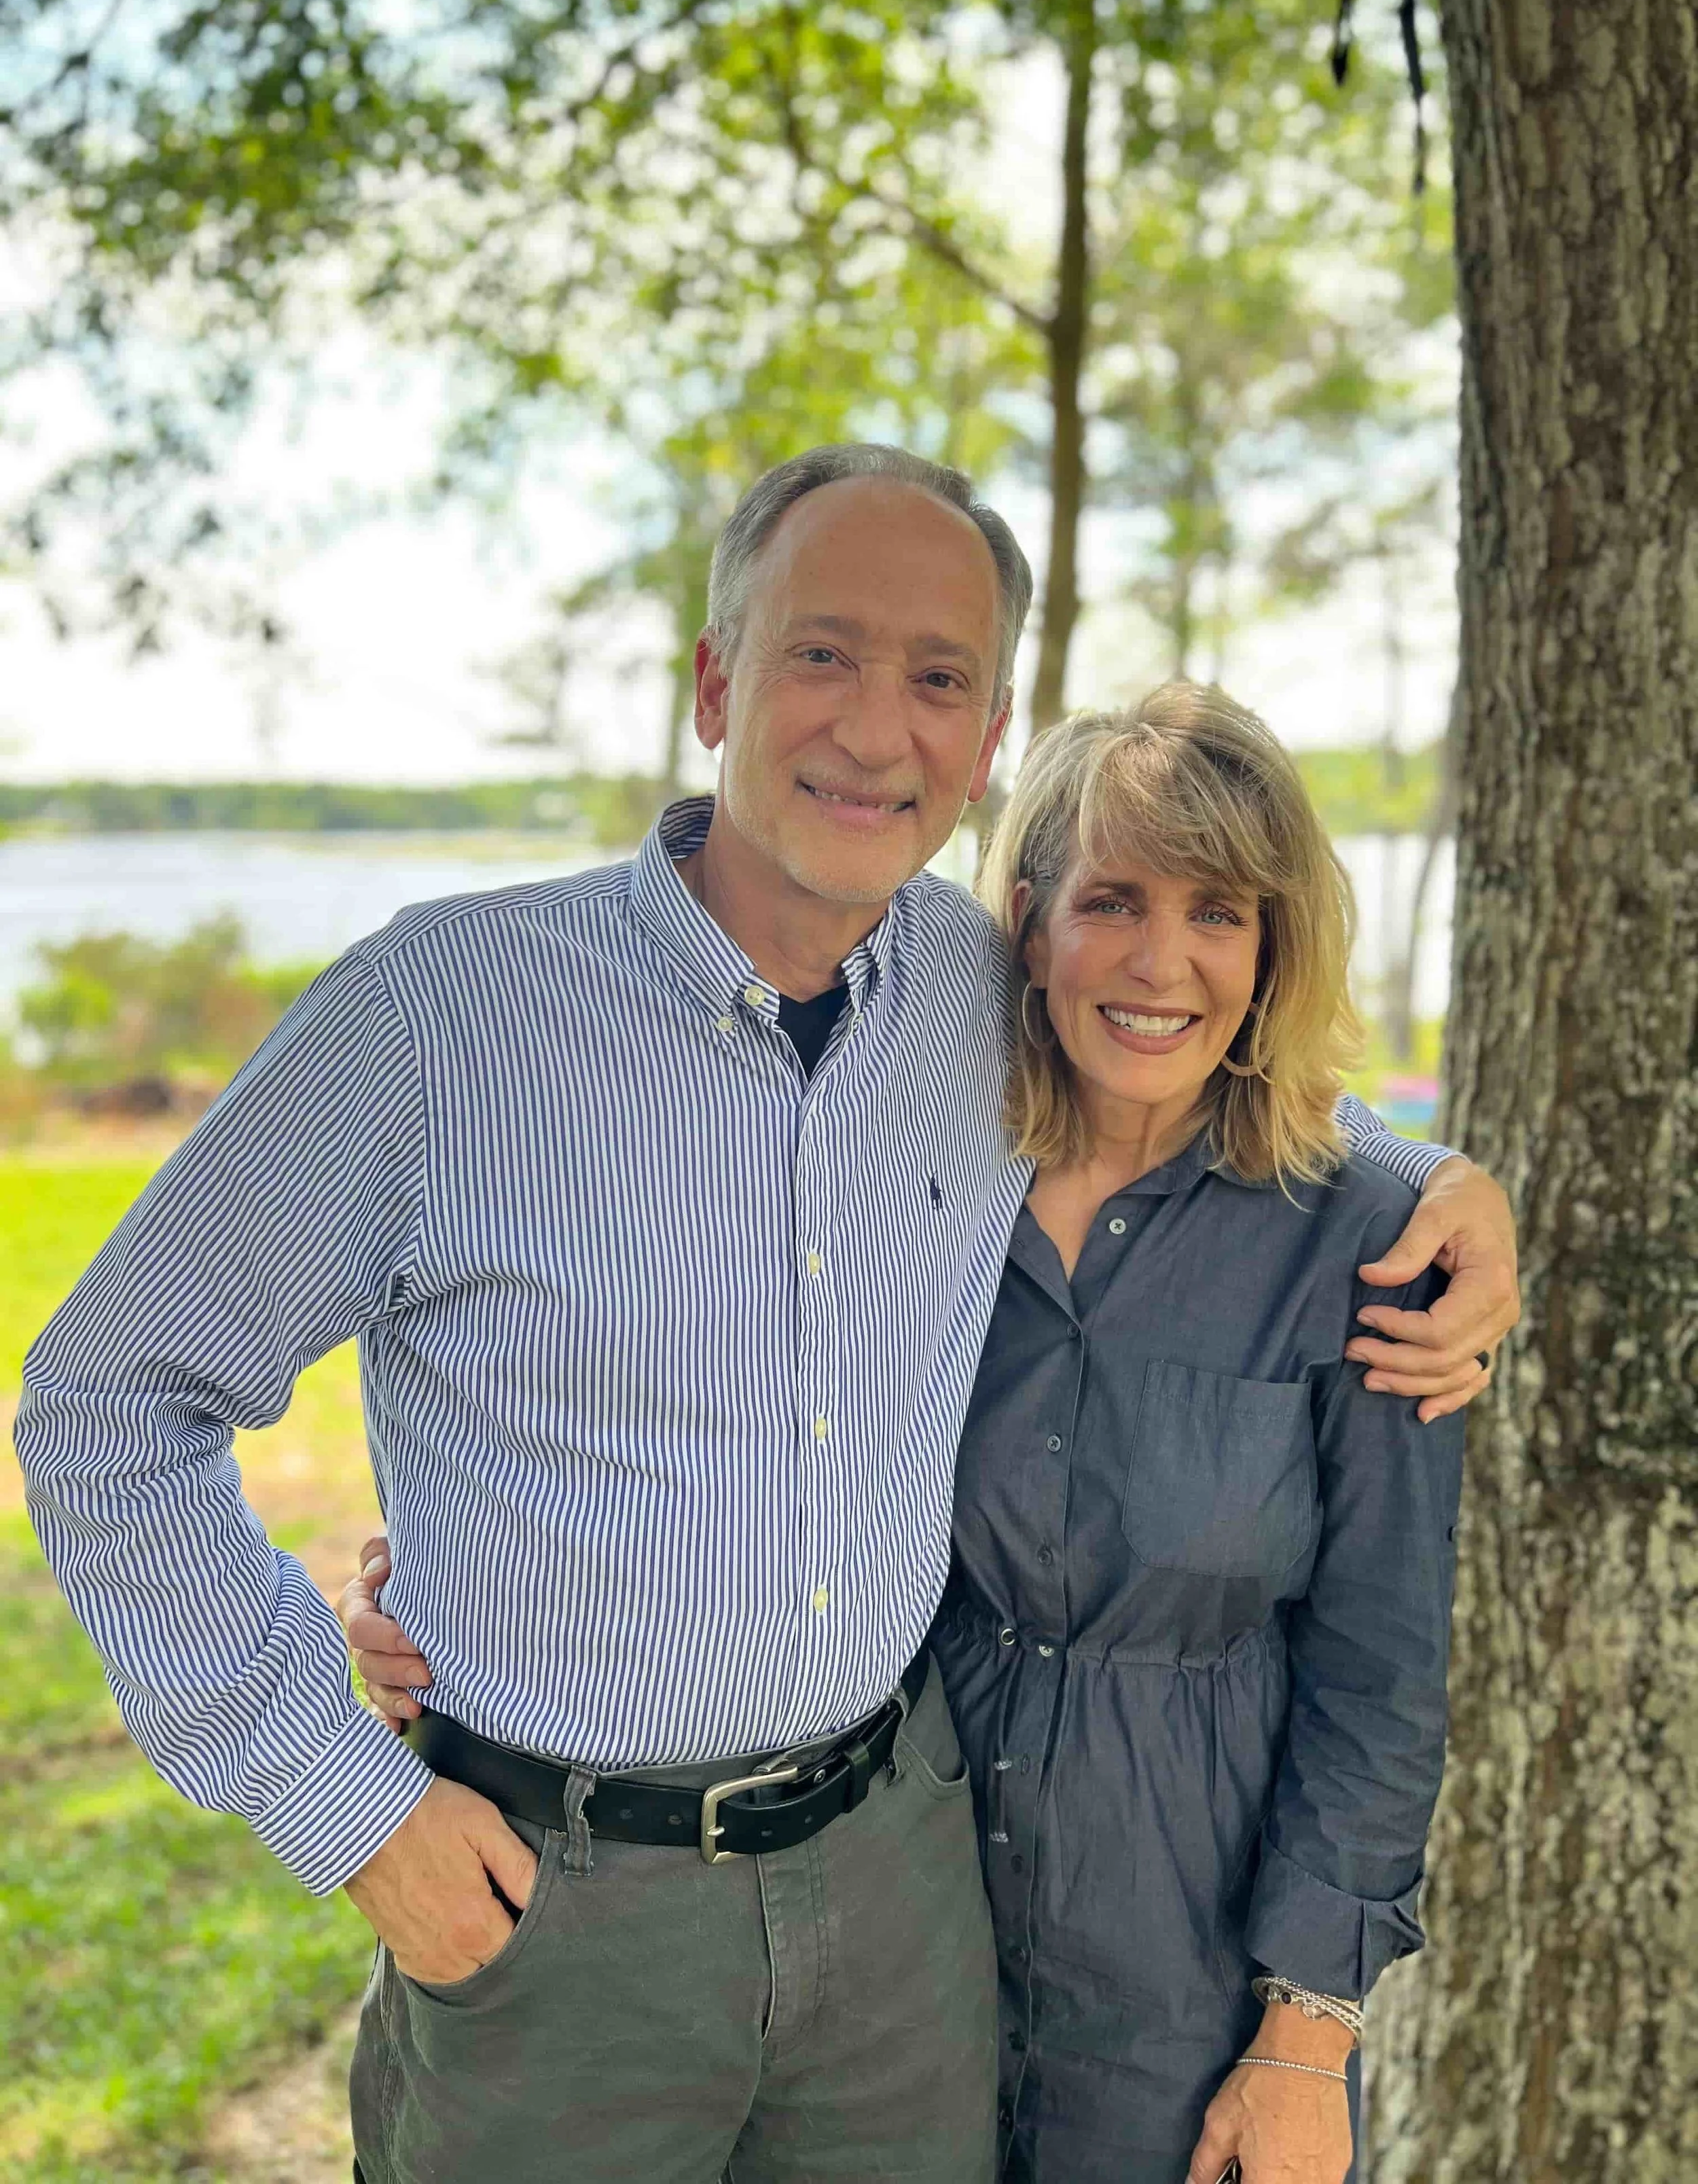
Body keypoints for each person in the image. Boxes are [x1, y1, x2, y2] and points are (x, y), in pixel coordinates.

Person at [16, 446, 1516, 2184]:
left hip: (896, 1900)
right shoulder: (444, 1015)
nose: (876, 729)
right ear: (718, 681)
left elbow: (1190, 1052)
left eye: (937, 678)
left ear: (983, 740)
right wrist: (341, 1804)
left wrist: (1444, 1192)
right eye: (823, 653)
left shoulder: (977, 999)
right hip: (553, 1913)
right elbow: (110, 1397)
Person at [350, 681, 1475, 2183]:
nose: (1159, 962)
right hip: (884, 1927)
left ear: (1271, 948)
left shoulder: (1370, 1246)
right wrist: (452, 1581)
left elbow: (1381, 1676)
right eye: (1111, 903)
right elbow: (721, 1421)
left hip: (1181, 1974)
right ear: (1024, 918)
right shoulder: (927, 1161)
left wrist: (1301, 2038)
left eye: (1219, 912)